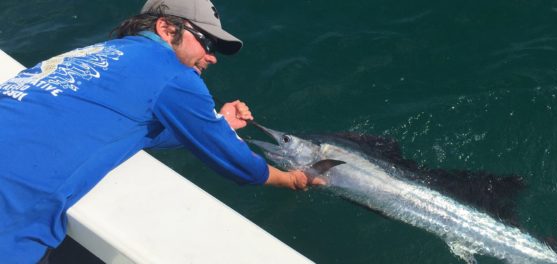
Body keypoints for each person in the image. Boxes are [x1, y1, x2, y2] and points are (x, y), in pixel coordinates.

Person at [0, 0, 323, 262]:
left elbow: (130, 126)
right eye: (207, 42)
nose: (211, 56)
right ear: (167, 28)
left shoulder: (97, 54)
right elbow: (236, 162)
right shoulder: (173, 73)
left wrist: (217, 125)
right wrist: (292, 179)